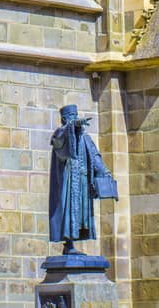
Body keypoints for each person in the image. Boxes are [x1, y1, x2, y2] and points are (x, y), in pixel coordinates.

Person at [48, 104, 113, 254]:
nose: (75, 119)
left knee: (81, 216)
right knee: (68, 212)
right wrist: (72, 126)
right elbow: (59, 141)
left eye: (76, 116)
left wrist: (105, 173)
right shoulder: (61, 134)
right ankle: (68, 245)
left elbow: (95, 156)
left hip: (83, 181)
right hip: (70, 182)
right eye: (71, 117)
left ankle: (73, 243)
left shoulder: (85, 138)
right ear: (64, 119)